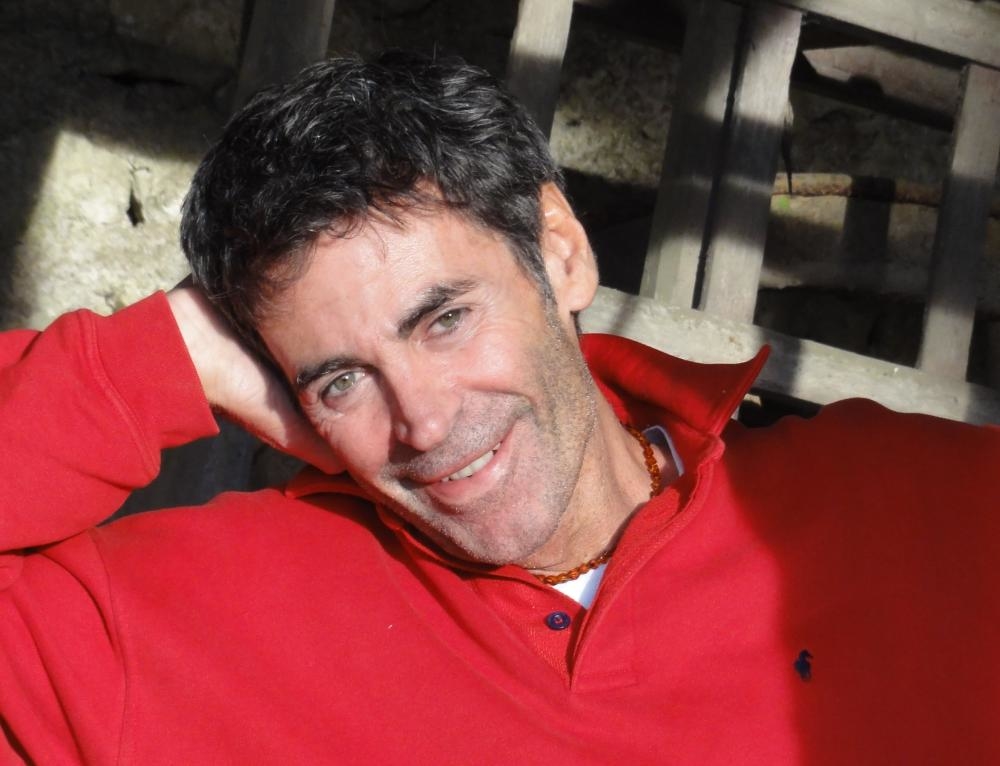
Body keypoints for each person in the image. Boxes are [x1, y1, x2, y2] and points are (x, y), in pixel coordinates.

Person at [1, 50, 998, 765]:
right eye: (340, 380)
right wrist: (154, 359)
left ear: (558, 252)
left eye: (443, 320)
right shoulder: (187, 623)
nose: (424, 424)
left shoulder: (910, 504)